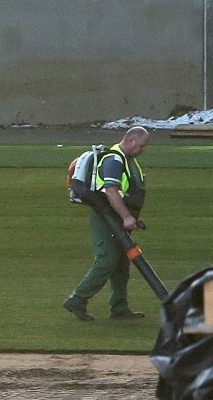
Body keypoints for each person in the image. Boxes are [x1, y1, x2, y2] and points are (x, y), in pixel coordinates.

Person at [63, 126, 150, 321]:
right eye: (142, 145)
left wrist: (129, 217)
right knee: (107, 260)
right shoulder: (114, 160)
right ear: (131, 141)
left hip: (116, 217)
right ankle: (77, 300)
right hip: (107, 219)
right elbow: (111, 191)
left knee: (121, 264)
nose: (143, 149)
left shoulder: (127, 160)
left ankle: (119, 307)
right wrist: (127, 217)